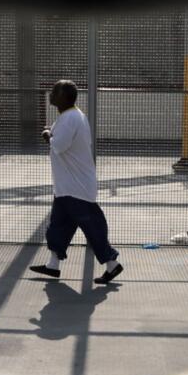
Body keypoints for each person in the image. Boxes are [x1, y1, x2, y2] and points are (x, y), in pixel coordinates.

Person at [30, 79, 120, 285]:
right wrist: (50, 134)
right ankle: (53, 266)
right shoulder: (69, 116)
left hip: (76, 187)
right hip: (66, 187)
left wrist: (46, 135)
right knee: (58, 226)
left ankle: (112, 264)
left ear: (64, 96)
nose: (50, 94)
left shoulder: (70, 117)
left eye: (54, 91)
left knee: (92, 227)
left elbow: (59, 145)